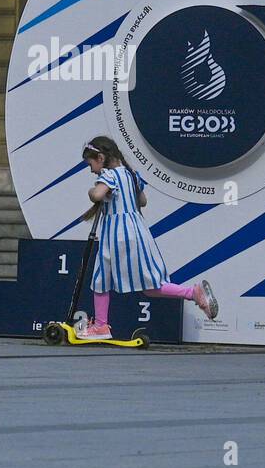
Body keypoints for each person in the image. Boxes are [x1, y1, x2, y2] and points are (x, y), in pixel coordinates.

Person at [78, 136, 218, 339]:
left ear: (100, 157)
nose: (92, 170)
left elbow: (97, 195)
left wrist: (93, 190)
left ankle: (101, 325)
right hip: (136, 231)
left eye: (91, 164)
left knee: (100, 279)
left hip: (118, 234)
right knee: (149, 287)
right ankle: (192, 293)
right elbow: (142, 201)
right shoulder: (131, 174)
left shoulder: (109, 175)